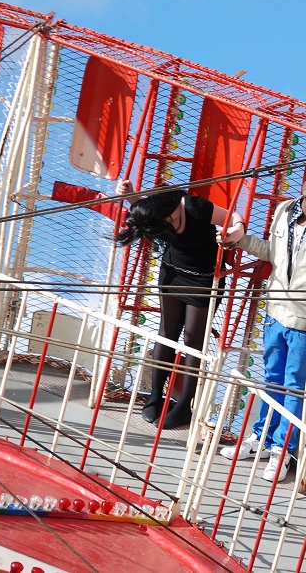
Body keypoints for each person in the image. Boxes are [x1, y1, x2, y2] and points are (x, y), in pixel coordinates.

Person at [220, 164, 306, 482]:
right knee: (271, 378)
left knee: (295, 385)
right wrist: (240, 241)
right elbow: (272, 252)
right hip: (275, 310)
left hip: (304, 319)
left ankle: (283, 450)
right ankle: (261, 439)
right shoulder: (283, 210)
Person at [115, 180, 244, 429]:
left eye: (168, 221)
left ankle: (184, 405)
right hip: (172, 274)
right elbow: (144, 211)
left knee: (193, 341)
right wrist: (130, 196)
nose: (167, 227)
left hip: (204, 280)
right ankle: (155, 396)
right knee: (167, 334)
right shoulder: (157, 215)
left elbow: (233, 217)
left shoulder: (196, 208)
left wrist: (236, 232)